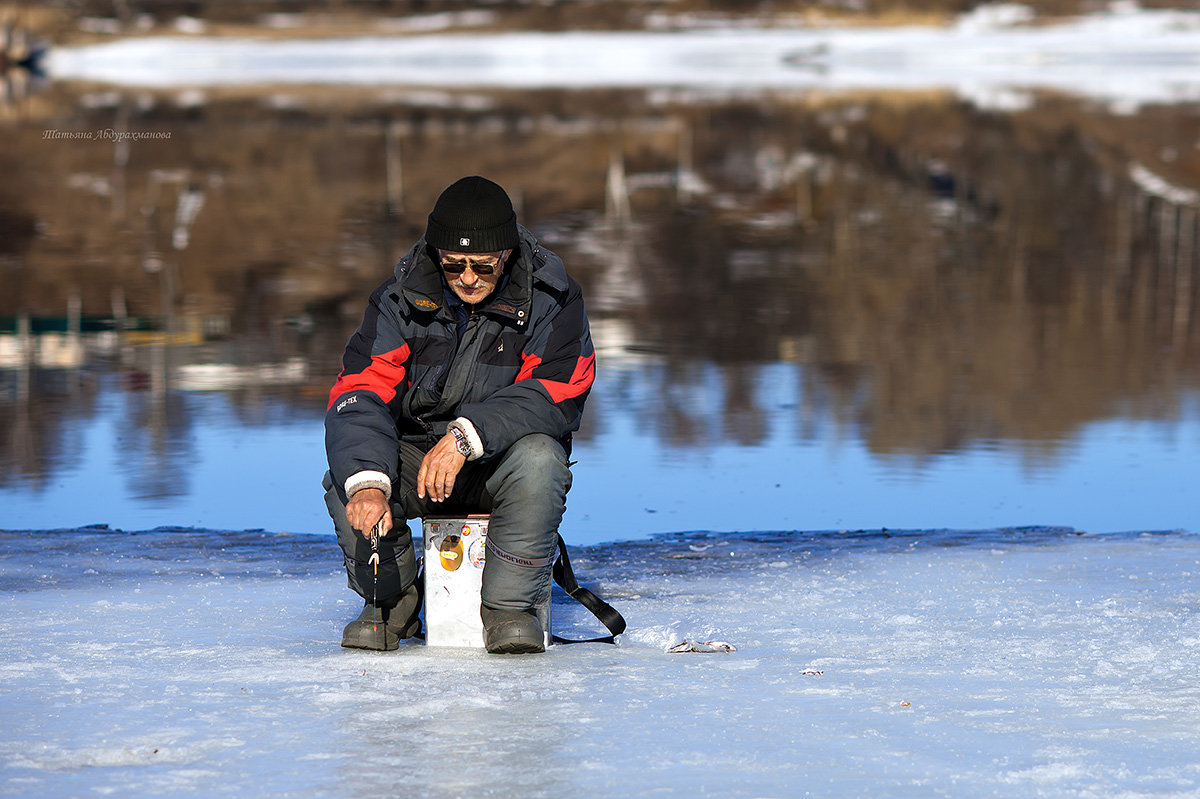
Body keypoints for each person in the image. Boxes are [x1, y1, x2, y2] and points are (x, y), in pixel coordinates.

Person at [322, 175, 595, 655]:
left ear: (506, 254)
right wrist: (368, 483)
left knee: (541, 458)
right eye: (454, 266)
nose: (468, 277)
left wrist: (467, 436)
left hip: (496, 464)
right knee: (351, 476)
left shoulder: (553, 299)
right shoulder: (397, 299)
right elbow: (359, 391)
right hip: (417, 459)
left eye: (482, 266)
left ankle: (510, 609)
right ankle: (392, 604)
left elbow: (557, 392)